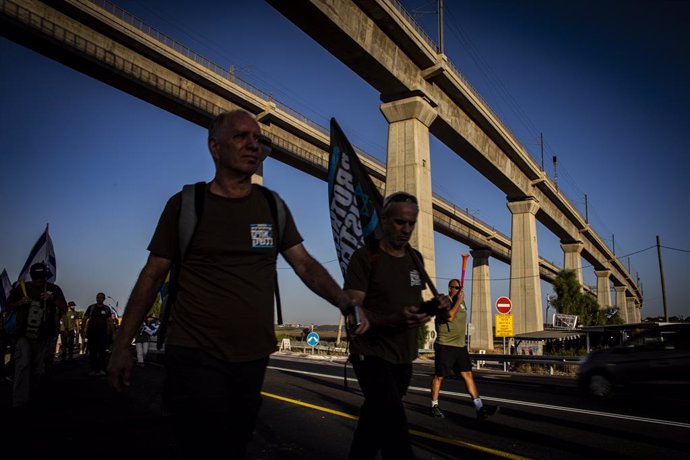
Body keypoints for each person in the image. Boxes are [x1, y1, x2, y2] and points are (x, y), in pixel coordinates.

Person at [108, 109, 365, 459]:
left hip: (251, 357)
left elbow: (304, 264)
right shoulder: (186, 205)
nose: (252, 145)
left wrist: (343, 300)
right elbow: (152, 274)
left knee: (237, 443)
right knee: (209, 446)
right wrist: (122, 345)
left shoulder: (272, 206)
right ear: (215, 147)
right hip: (195, 353)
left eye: (257, 139)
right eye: (241, 137)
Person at [344, 191, 449, 459]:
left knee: (373, 426)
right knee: (395, 431)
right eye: (400, 222)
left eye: (411, 223)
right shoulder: (365, 257)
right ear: (384, 219)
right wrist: (392, 320)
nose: (406, 229)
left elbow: (414, 303)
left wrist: (436, 306)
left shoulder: (416, 259)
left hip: (403, 357)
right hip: (371, 355)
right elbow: (353, 311)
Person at [430, 279, 498, 420]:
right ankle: (434, 406)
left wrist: (460, 301)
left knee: (468, 375)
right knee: (439, 376)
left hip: (460, 346)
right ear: (450, 288)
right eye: (456, 287)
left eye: (460, 287)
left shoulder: (461, 303)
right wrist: (458, 301)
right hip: (445, 345)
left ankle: (480, 408)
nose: (459, 290)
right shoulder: (444, 302)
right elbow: (449, 317)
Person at [4, 262, 67, 408]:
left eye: (42, 278)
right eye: (36, 278)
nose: (39, 281)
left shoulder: (53, 289)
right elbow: (7, 306)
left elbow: (64, 307)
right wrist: (20, 302)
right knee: (23, 364)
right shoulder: (23, 288)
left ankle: (36, 398)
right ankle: (20, 402)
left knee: (40, 370)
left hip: (44, 337)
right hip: (24, 335)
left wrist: (53, 299)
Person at [83, 293, 113, 376]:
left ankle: (102, 369)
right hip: (92, 333)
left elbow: (110, 321)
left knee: (102, 352)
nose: (99, 299)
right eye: (98, 297)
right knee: (93, 352)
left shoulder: (107, 309)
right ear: (96, 298)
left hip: (103, 334)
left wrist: (112, 332)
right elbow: (85, 318)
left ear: (104, 299)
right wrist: (83, 330)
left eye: (101, 297)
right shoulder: (91, 307)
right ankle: (93, 369)